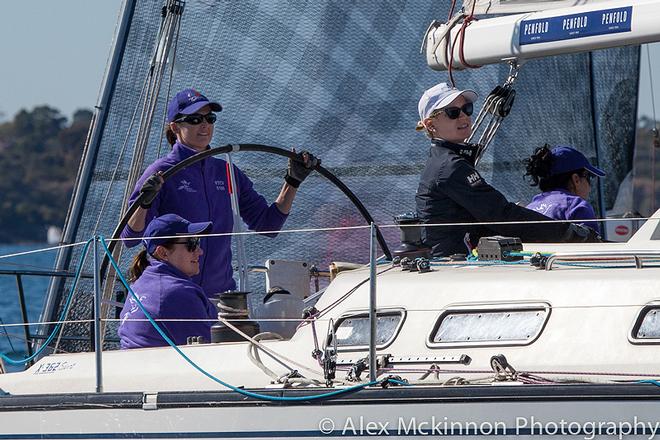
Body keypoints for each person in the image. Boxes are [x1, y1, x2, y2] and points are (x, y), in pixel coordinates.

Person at [121, 88, 318, 298]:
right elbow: (128, 239)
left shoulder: (227, 172)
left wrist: (293, 181)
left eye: (210, 118)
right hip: (173, 297)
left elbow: (268, 225)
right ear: (175, 127)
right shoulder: (161, 172)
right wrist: (144, 204)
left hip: (220, 299)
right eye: (195, 119)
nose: (205, 124)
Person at [414, 82, 599, 257]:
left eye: (467, 109)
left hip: (452, 264)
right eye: (453, 112)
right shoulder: (450, 166)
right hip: (451, 268)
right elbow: (502, 215)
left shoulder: (443, 162)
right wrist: (570, 233)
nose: (464, 116)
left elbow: (493, 216)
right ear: (430, 125)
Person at [118, 214, 217, 349]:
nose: (200, 251)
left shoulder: (139, 284)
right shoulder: (180, 293)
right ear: (163, 253)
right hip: (162, 366)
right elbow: (211, 350)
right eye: (191, 244)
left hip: (135, 364)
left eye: (197, 241)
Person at [525, 145, 605, 233]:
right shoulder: (578, 207)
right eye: (589, 177)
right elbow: (593, 245)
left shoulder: (530, 208)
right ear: (576, 179)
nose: (590, 187)